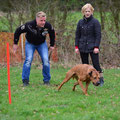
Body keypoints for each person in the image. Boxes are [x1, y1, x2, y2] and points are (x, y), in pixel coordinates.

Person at [13, 11, 55, 86]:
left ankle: (46, 81)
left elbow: (52, 33)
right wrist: (15, 43)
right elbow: (17, 31)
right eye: (41, 21)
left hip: (42, 44)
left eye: (44, 20)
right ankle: (25, 81)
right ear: (36, 19)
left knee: (46, 60)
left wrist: (52, 45)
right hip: (30, 43)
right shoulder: (29, 25)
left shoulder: (47, 26)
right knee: (28, 60)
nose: (43, 22)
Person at [75, 3, 104, 86]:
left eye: (89, 11)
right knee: (85, 65)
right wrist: (76, 46)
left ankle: (100, 79)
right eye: (85, 11)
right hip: (82, 46)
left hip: (93, 46)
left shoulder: (95, 22)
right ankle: (88, 79)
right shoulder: (80, 22)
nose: (87, 13)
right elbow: (77, 35)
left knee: (96, 64)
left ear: (92, 12)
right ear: (83, 12)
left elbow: (98, 35)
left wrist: (96, 46)